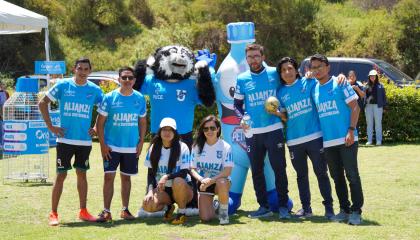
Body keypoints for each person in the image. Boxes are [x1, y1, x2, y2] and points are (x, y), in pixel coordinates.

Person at [39, 57, 104, 226]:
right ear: (74, 69)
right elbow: (42, 103)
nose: (82, 72)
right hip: (65, 140)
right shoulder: (63, 85)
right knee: (61, 175)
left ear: (90, 71)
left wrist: (96, 128)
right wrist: (51, 127)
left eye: (85, 69)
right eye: (79, 68)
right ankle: (53, 213)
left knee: (81, 174)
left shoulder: (95, 90)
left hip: (84, 141)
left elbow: (105, 110)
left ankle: (83, 211)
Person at [271, 57, 334, 219]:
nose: (287, 72)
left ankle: (329, 209)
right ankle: (306, 209)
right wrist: (278, 113)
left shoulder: (309, 83)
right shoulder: (280, 92)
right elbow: (286, 117)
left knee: (321, 173)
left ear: (296, 70)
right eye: (283, 70)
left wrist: (313, 73)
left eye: (290, 68)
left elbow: (323, 80)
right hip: (294, 141)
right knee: (301, 176)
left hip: (315, 137)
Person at [233, 43, 290, 219]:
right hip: (253, 133)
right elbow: (237, 105)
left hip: (274, 129)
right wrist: (242, 118)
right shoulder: (242, 79)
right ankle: (263, 206)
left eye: (257, 56)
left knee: (279, 168)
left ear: (263, 57)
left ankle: (282, 207)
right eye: (250, 57)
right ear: (246, 59)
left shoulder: (274, 73)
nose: (254, 60)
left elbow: (292, 82)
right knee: (256, 170)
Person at [310, 54, 364, 225]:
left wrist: (351, 130)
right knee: (336, 177)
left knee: (352, 175)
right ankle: (344, 209)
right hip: (328, 142)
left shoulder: (340, 83)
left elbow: (355, 108)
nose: (317, 70)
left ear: (327, 67)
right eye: (313, 67)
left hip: (347, 138)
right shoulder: (314, 89)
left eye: (320, 66)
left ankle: (356, 211)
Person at [95, 67, 147, 222]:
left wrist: (141, 142)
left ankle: (125, 210)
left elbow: (143, 122)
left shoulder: (139, 98)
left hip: (131, 146)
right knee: (108, 177)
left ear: (134, 80)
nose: (127, 81)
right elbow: (100, 123)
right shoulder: (109, 97)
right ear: (119, 79)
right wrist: (103, 145)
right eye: (124, 77)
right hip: (111, 146)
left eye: (130, 78)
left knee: (126, 179)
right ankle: (106, 211)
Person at [142, 117, 193, 225]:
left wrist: (166, 177)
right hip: (164, 190)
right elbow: (150, 173)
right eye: (164, 129)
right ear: (160, 132)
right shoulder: (154, 147)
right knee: (148, 205)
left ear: (175, 132)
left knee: (178, 181)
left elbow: (184, 173)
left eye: (170, 130)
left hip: (182, 188)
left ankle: (181, 214)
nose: (167, 132)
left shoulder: (182, 147)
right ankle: (169, 207)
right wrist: (150, 190)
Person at [190, 115, 233, 224]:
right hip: (204, 183)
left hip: (219, 182)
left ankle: (223, 215)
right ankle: (216, 206)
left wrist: (211, 181)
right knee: (205, 218)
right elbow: (192, 169)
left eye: (212, 128)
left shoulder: (225, 146)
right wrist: (201, 179)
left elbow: (227, 171)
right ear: (203, 130)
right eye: (206, 128)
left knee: (222, 182)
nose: (209, 131)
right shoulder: (197, 146)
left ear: (218, 129)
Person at [365, 70, 387, 146]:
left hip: (378, 106)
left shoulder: (381, 85)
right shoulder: (366, 86)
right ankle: (369, 140)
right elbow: (363, 97)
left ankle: (379, 140)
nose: (372, 77)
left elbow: (384, 97)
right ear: (369, 77)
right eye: (371, 76)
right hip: (368, 106)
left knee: (378, 124)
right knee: (369, 124)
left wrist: (384, 107)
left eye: (374, 76)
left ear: (376, 77)